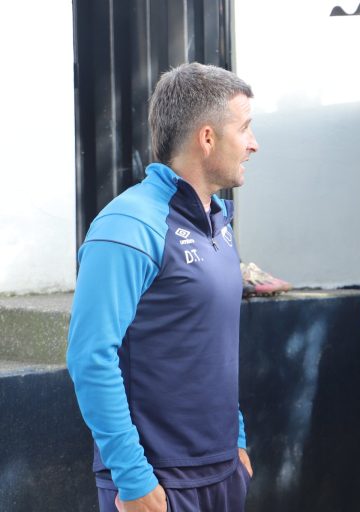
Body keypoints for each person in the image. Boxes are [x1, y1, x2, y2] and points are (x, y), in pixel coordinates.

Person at [67, 62, 259, 512]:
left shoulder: (219, 222)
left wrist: (237, 442)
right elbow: (90, 355)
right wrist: (132, 478)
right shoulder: (128, 224)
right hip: (157, 483)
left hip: (223, 473)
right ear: (207, 138)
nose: (254, 143)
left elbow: (211, 341)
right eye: (245, 128)